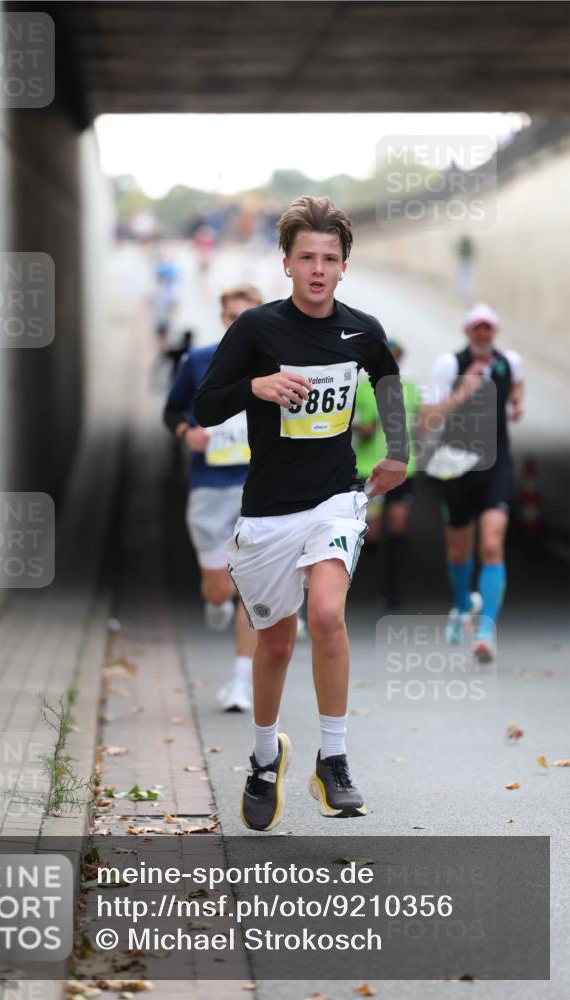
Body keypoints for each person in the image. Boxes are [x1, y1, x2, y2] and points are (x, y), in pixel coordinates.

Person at [194, 196, 408, 831]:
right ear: (286, 263)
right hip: (268, 513)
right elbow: (205, 407)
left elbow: (388, 382)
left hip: (336, 501)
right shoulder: (257, 330)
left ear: (344, 267)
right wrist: (254, 387)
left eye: (331, 259)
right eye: (307, 258)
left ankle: (334, 759)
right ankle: (265, 759)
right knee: (277, 641)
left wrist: (397, 453)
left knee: (326, 615)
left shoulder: (362, 330)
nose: (319, 269)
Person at [164, 284, 264, 711]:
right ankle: (215, 599)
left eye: (249, 316)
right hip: (209, 488)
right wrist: (188, 433)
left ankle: (241, 681)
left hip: (258, 486)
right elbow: (171, 411)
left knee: (253, 589)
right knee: (219, 590)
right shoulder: (198, 361)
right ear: (222, 319)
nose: (239, 324)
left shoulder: (277, 363)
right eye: (232, 317)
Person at [421, 303, 524, 662]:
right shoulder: (450, 365)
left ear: (495, 332)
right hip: (457, 464)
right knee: (458, 550)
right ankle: (464, 604)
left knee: (492, 544)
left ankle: (484, 632)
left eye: (488, 329)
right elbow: (427, 419)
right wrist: (462, 392)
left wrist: (516, 403)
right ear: (467, 332)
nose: (482, 334)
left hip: (496, 464)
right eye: (476, 329)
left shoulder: (508, 361)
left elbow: (517, 386)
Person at [352, 339, 421, 609]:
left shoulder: (412, 390)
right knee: (372, 534)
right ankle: (355, 575)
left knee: (398, 527)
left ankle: (391, 590)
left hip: (405, 468)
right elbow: (348, 421)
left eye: (396, 356)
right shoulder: (362, 390)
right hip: (370, 468)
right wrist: (361, 428)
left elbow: (425, 422)